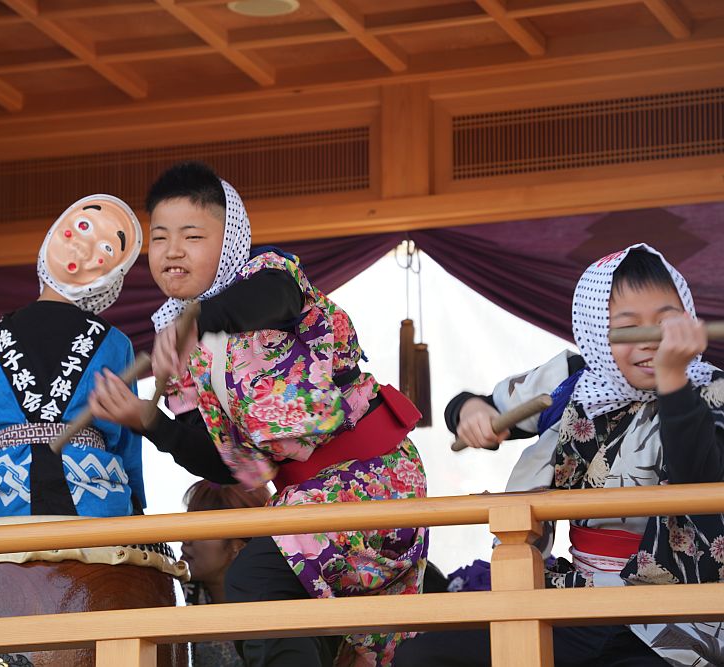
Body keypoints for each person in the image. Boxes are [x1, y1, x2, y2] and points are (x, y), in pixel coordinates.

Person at [89, 162, 428, 666]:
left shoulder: (267, 276)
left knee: (254, 581)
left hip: (370, 476)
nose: (172, 251)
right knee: (316, 636)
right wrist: (150, 421)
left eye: (192, 236)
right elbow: (229, 466)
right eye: (159, 238)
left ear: (229, 240)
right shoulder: (178, 351)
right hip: (305, 499)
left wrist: (199, 322)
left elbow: (272, 300)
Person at [396, 244, 724, 666]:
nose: (650, 340)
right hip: (577, 599)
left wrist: (673, 378)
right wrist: (472, 412)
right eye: (628, 327)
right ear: (596, 330)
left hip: (680, 614)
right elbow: (482, 405)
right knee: (422, 657)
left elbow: (697, 477)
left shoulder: (713, 392)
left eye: (665, 323)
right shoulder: (572, 383)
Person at [0, 194, 147, 518]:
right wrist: (137, 506)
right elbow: (128, 439)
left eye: (106, 247)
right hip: (94, 497)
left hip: (6, 498)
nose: (85, 246)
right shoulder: (114, 343)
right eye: (84, 227)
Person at [180, 480, 272, 667]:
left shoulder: (279, 602)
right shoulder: (174, 595)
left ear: (239, 545)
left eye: (200, 529)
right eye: (186, 525)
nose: (185, 538)